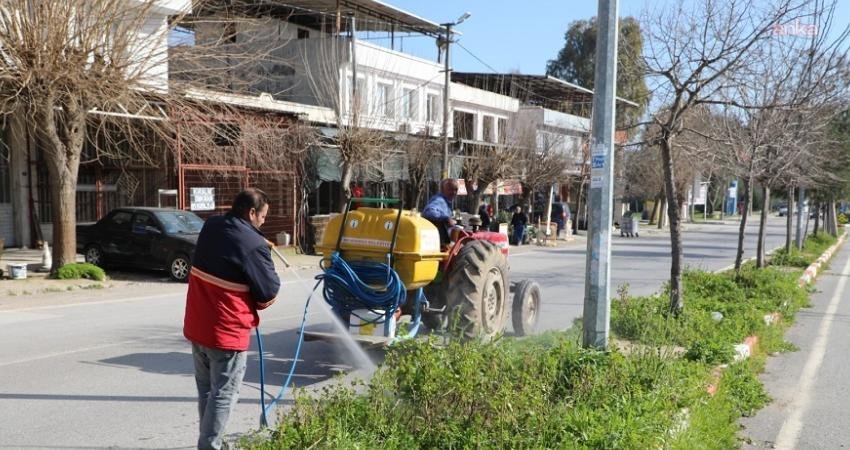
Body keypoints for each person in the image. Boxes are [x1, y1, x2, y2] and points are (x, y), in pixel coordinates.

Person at [183, 188, 281, 450]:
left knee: (207, 391)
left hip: (197, 326)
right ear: (252, 213)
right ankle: (210, 446)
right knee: (224, 394)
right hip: (226, 333)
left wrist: (256, 241)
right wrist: (261, 250)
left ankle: (214, 442)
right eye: (263, 217)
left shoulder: (212, 225)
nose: (263, 222)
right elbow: (268, 293)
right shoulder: (254, 245)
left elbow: (230, 249)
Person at [422, 178, 459, 245]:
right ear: (442, 190)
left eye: (455, 190)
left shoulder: (446, 201)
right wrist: (446, 218)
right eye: (450, 189)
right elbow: (428, 212)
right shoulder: (439, 200)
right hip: (439, 240)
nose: (454, 192)